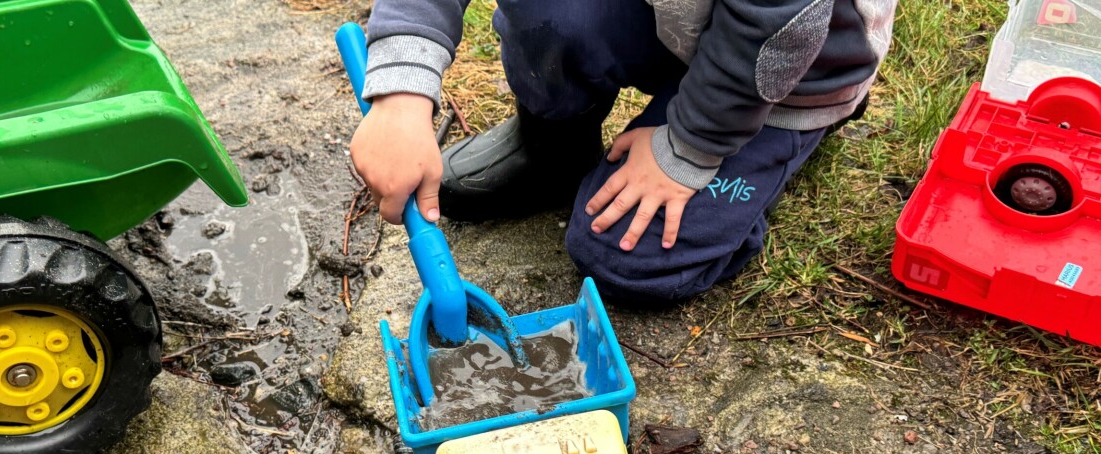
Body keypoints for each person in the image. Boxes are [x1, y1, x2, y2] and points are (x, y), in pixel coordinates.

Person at [349, 0, 897, 304]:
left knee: (625, 255)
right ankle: (553, 145)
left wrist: (688, 147)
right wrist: (402, 91)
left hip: (787, 59)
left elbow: (776, 27)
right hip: (669, 16)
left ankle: (778, 137)